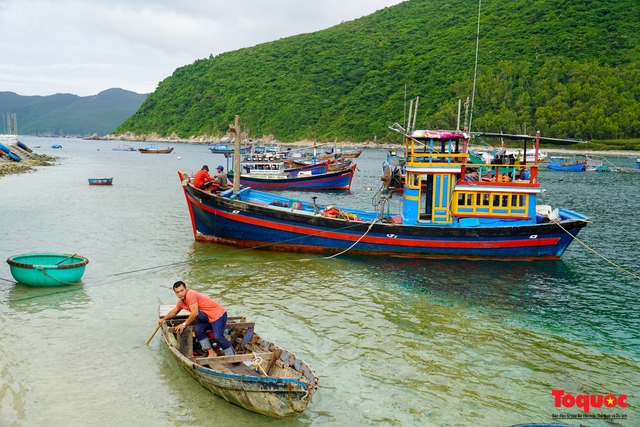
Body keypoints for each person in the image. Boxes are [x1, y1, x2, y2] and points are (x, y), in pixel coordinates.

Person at [158, 281, 235, 357]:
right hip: (208, 318)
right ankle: (211, 352)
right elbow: (173, 312)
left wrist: (184, 324)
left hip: (219, 315)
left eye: (182, 290)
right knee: (198, 330)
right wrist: (163, 319)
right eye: (177, 292)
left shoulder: (190, 294)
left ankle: (232, 356)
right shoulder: (181, 302)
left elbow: (194, 313)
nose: (180, 294)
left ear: (186, 289)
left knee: (218, 337)